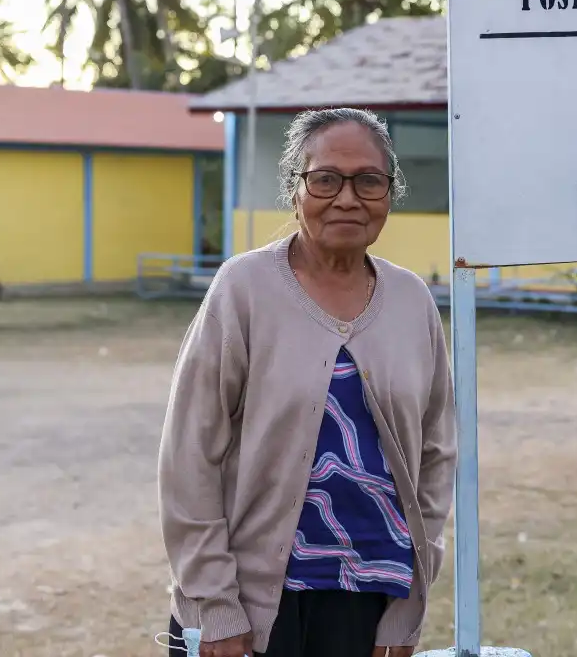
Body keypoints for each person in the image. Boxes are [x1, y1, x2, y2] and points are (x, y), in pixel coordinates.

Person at [159, 108, 458, 657]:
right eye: (325, 179)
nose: (347, 198)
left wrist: (406, 606)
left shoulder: (413, 301)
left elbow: (437, 455)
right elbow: (189, 454)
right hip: (252, 604)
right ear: (295, 191)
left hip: (369, 603)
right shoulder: (244, 288)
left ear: (390, 194)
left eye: (369, 180)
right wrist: (215, 603)